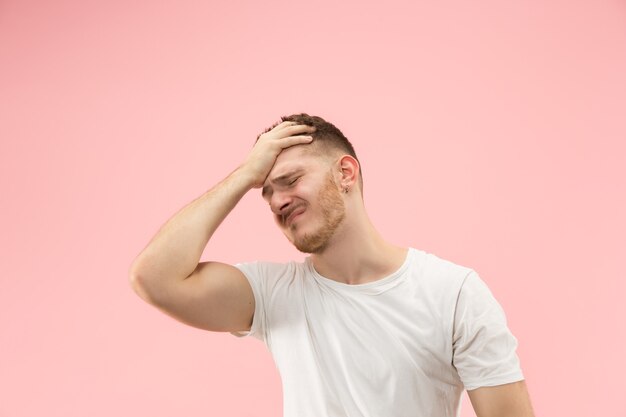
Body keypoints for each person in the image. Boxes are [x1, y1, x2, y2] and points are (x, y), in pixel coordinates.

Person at [129, 113, 535, 417]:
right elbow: (154, 277)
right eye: (265, 192)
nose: (276, 201)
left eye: (289, 180)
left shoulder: (455, 292)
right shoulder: (275, 295)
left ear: (345, 172)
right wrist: (243, 175)